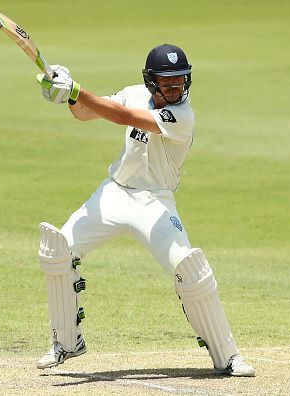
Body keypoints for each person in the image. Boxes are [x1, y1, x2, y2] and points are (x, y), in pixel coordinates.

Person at [34, 44, 255, 377]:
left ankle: (228, 356)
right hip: (114, 193)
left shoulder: (183, 116)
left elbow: (122, 117)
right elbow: (86, 113)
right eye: (167, 83)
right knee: (56, 249)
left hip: (154, 202)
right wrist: (65, 93)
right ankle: (65, 343)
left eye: (180, 81)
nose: (175, 88)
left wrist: (77, 89)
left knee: (189, 267)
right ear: (151, 82)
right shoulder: (134, 93)